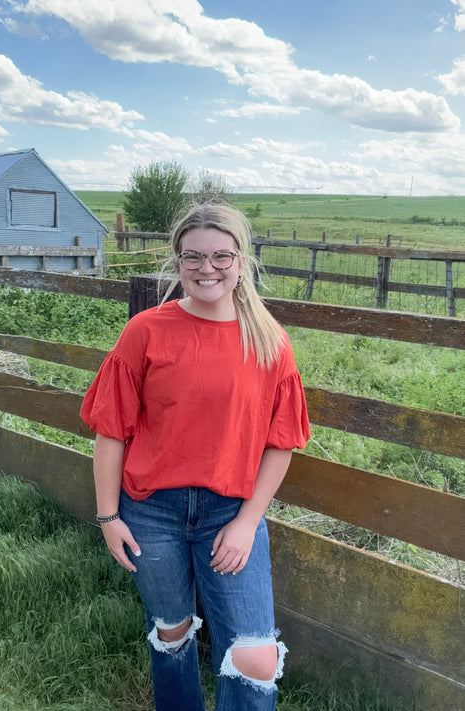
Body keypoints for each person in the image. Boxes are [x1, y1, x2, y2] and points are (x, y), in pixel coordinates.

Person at [80, 203, 310, 711]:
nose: (208, 268)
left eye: (221, 256)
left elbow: (282, 441)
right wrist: (108, 516)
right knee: (172, 631)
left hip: (230, 513)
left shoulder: (270, 341)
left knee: (255, 656)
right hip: (149, 513)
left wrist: (249, 521)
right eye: (194, 257)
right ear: (177, 261)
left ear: (241, 261)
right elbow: (111, 432)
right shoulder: (146, 331)